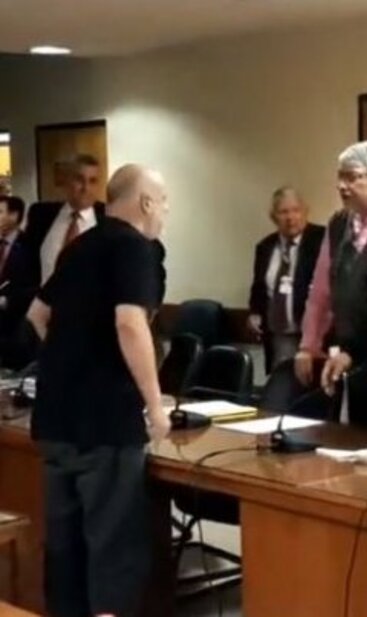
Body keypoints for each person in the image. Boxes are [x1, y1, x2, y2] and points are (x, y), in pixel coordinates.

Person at [27, 163, 171, 617]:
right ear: (146, 202)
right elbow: (130, 323)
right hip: (105, 423)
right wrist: (155, 404)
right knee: (112, 550)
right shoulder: (135, 247)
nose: (165, 212)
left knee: (65, 549)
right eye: (163, 202)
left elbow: (37, 314)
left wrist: (73, 359)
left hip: (55, 418)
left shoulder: (79, 246)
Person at [262, 141, 367, 423]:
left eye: (353, 177)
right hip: (348, 357)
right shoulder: (339, 224)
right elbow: (321, 291)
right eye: (340, 177)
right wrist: (308, 346)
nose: (342, 186)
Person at [248, 186, 324, 374]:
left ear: (305, 212)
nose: (290, 217)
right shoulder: (265, 247)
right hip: (279, 336)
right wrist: (255, 312)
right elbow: (259, 287)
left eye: (296, 210)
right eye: (283, 212)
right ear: (274, 217)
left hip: (315, 337)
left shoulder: (322, 240)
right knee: (281, 384)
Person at [24, 153, 105, 286]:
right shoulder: (41, 215)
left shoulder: (109, 218)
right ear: (66, 181)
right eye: (79, 179)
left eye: (93, 181)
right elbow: (26, 264)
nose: (86, 188)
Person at [0, 196, 36, 358]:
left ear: (14, 215)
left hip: (15, 322)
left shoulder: (31, 246)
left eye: (0, 212)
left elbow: (34, 286)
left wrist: (7, 300)